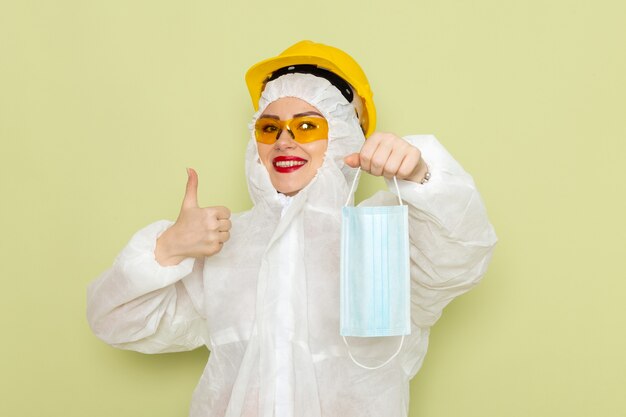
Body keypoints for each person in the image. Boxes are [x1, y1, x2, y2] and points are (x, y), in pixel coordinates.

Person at [87, 40, 497, 417]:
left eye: (306, 126)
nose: (284, 141)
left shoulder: (387, 238)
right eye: (269, 128)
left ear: (343, 136)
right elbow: (115, 322)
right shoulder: (226, 245)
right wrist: (168, 250)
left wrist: (421, 175)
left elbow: (461, 255)